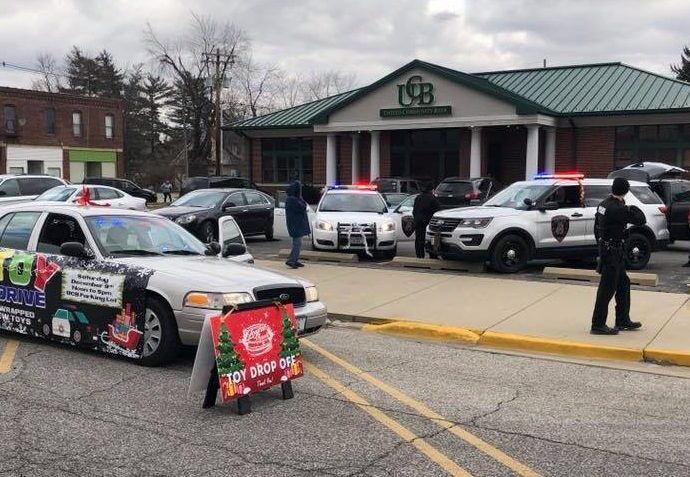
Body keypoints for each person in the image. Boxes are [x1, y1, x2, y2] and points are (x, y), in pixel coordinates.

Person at [590, 177, 647, 335]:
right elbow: (641, 220)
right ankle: (598, 324)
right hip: (613, 253)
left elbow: (596, 227)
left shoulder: (603, 204)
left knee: (623, 284)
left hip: (610, 250)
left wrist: (601, 245)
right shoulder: (619, 209)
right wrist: (632, 207)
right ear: (626, 191)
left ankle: (622, 319)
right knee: (607, 289)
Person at [285, 180, 310, 269]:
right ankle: (292, 260)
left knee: (297, 243)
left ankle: (294, 259)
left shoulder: (293, 199)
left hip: (296, 223)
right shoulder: (292, 199)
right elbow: (302, 207)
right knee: (297, 243)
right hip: (295, 224)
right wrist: (301, 198)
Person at [412, 184, 440, 259]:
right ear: (431, 190)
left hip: (418, 222)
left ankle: (419, 256)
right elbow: (437, 211)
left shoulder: (418, 198)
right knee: (431, 240)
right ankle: (433, 255)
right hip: (429, 223)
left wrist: (416, 219)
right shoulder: (433, 198)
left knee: (419, 240)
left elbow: (414, 211)